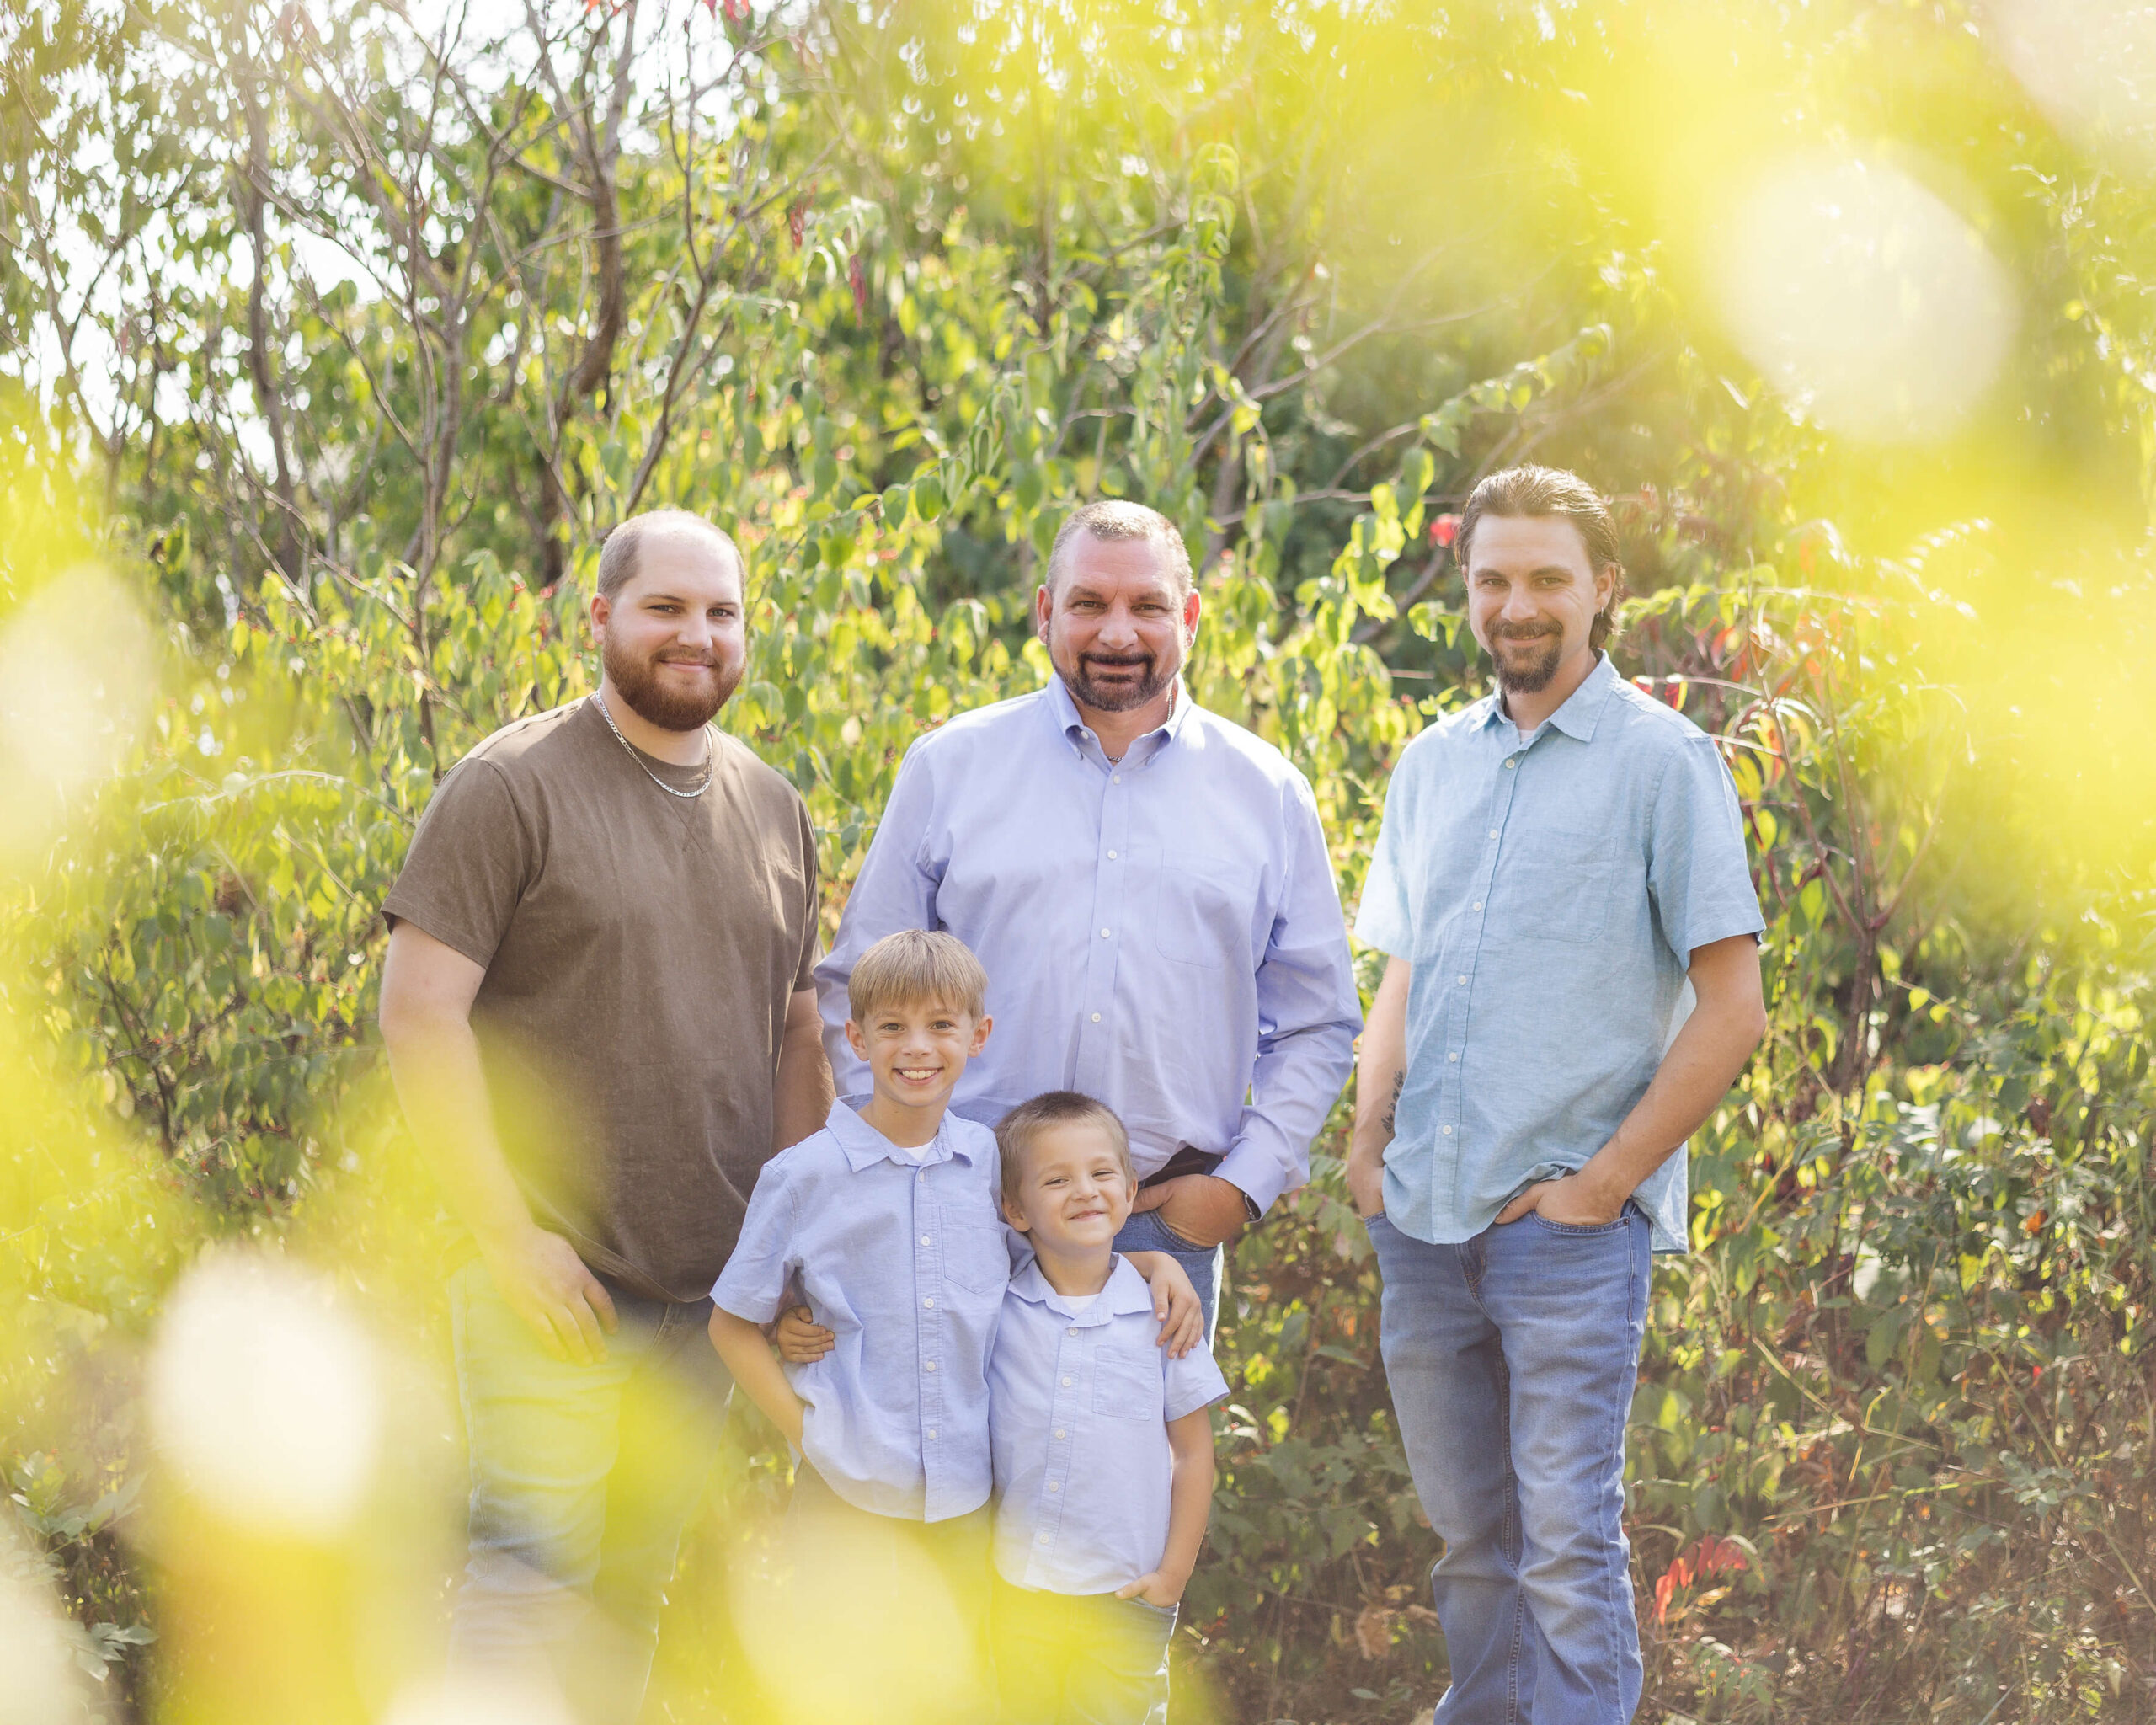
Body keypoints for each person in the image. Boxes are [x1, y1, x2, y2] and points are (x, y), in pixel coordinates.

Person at [376, 509, 833, 1722]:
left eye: (721, 613)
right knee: (524, 1601)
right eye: (666, 608)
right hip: (552, 1283)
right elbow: (419, 1017)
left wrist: (797, 1248)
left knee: (627, 1601)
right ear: (601, 619)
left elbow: (796, 1035)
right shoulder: (510, 786)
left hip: (708, 1296)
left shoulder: (775, 809)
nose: (697, 635)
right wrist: (505, 1237)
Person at [1348, 465, 1769, 1725]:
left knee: (1569, 1552)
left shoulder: (1664, 762)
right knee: (1469, 1545)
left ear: (1605, 592)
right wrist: (1366, 1146)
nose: (1517, 604)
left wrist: (1603, 1186)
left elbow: (1733, 1008)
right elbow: (1404, 972)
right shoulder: (1433, 764)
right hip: (1421, 1223)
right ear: (1466, 591)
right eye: (1494, 580)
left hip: (1567, 1237)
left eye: (1546, 579)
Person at [808, 499, 1362, 1336]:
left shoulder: (1268, 793)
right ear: (1043, 612)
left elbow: (1315, 1020)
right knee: (944, 1470)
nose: (1116, 632)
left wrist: (1241, 1186)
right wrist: (901, 1168)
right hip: (965, 1212)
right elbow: (859, 986)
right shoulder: (951, 766)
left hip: (1164, 1224)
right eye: (1088, 603)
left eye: (1146, 606)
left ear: (1190, 615)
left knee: (1146, 1470)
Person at [706, 933, 1201, 1713]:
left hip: (971, 1507)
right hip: (848, 1500)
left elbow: (1052, 1260)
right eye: (893, 1027)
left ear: (978, 1036)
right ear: (857, 1038)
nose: (917, 1047)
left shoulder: (988, 1164)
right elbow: (732, 1324)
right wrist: (810, 1435)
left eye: (941, 1025)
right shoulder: (804, 1175)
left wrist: (1151, 1264)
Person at [987, 1091, 1229, 1725]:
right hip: (1019, 1595)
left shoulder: (1163, 1314)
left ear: (1129, 1190)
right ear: (1015, 1209)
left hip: (1126, 1601)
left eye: (1101, 1174)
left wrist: (1172, 1580)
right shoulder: (999, 1313)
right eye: (1056, 1179)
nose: (1085, 1191)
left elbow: (1194, 1453)